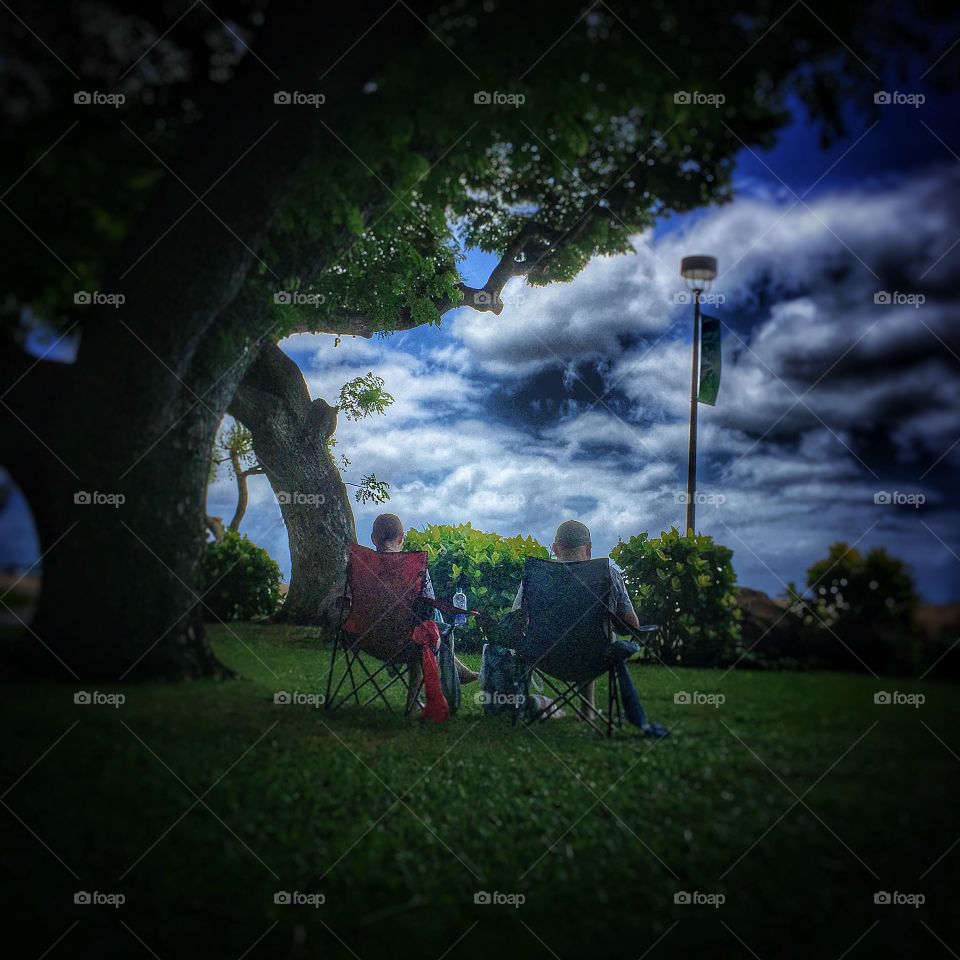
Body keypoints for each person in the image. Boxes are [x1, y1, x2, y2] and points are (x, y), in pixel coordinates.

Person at [512, 519, 640, 716]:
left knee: (579, 641)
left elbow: (516, 618)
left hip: (543, 656)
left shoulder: (537, 577)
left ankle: (521, 706)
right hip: (594, 658)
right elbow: (632, 626)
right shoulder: (608, 574)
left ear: (555, 548)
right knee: (588, 641)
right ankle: (587, 711)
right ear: (588, 548)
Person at [370, 513, 478, 686]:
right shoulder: (414, 567)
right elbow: (429, 604)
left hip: (369, 639)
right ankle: (450, 680)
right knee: (426, 626)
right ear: (401, 539)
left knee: (421, 624)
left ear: (373, 539)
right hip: (407, 641)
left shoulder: (361, 564)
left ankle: (458, 669)